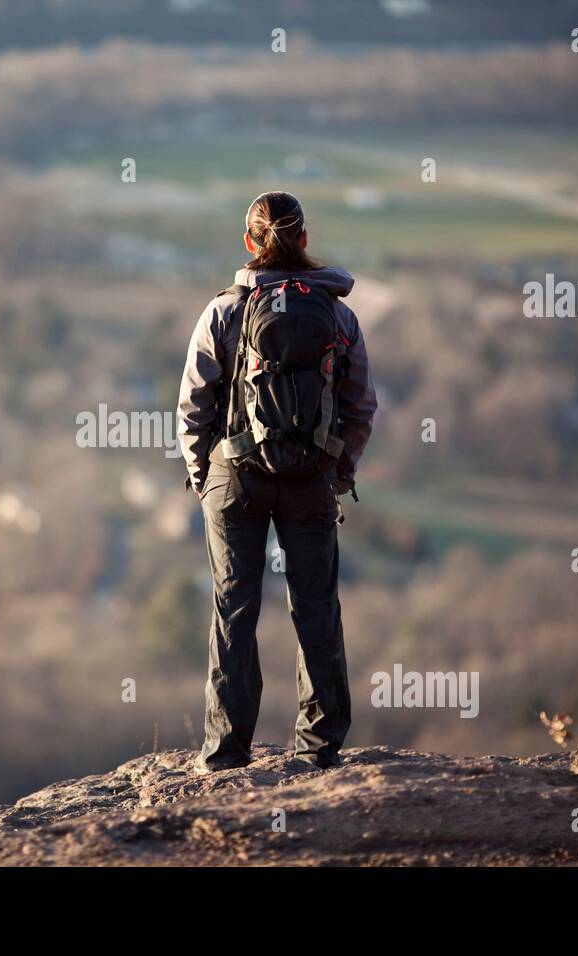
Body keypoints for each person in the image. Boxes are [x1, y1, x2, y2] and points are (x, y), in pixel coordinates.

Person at [176, 190, 376, 771]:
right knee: (315, 607)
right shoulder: (338, 314)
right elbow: (361, 406)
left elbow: (193, 402)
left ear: (249, 243)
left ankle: (226, 752)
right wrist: (337, 470)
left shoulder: (224, 311)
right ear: (305, 241)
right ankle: (318, 751)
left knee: (234, 608)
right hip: (312, 477)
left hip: (234, 476)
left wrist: (201, 477)